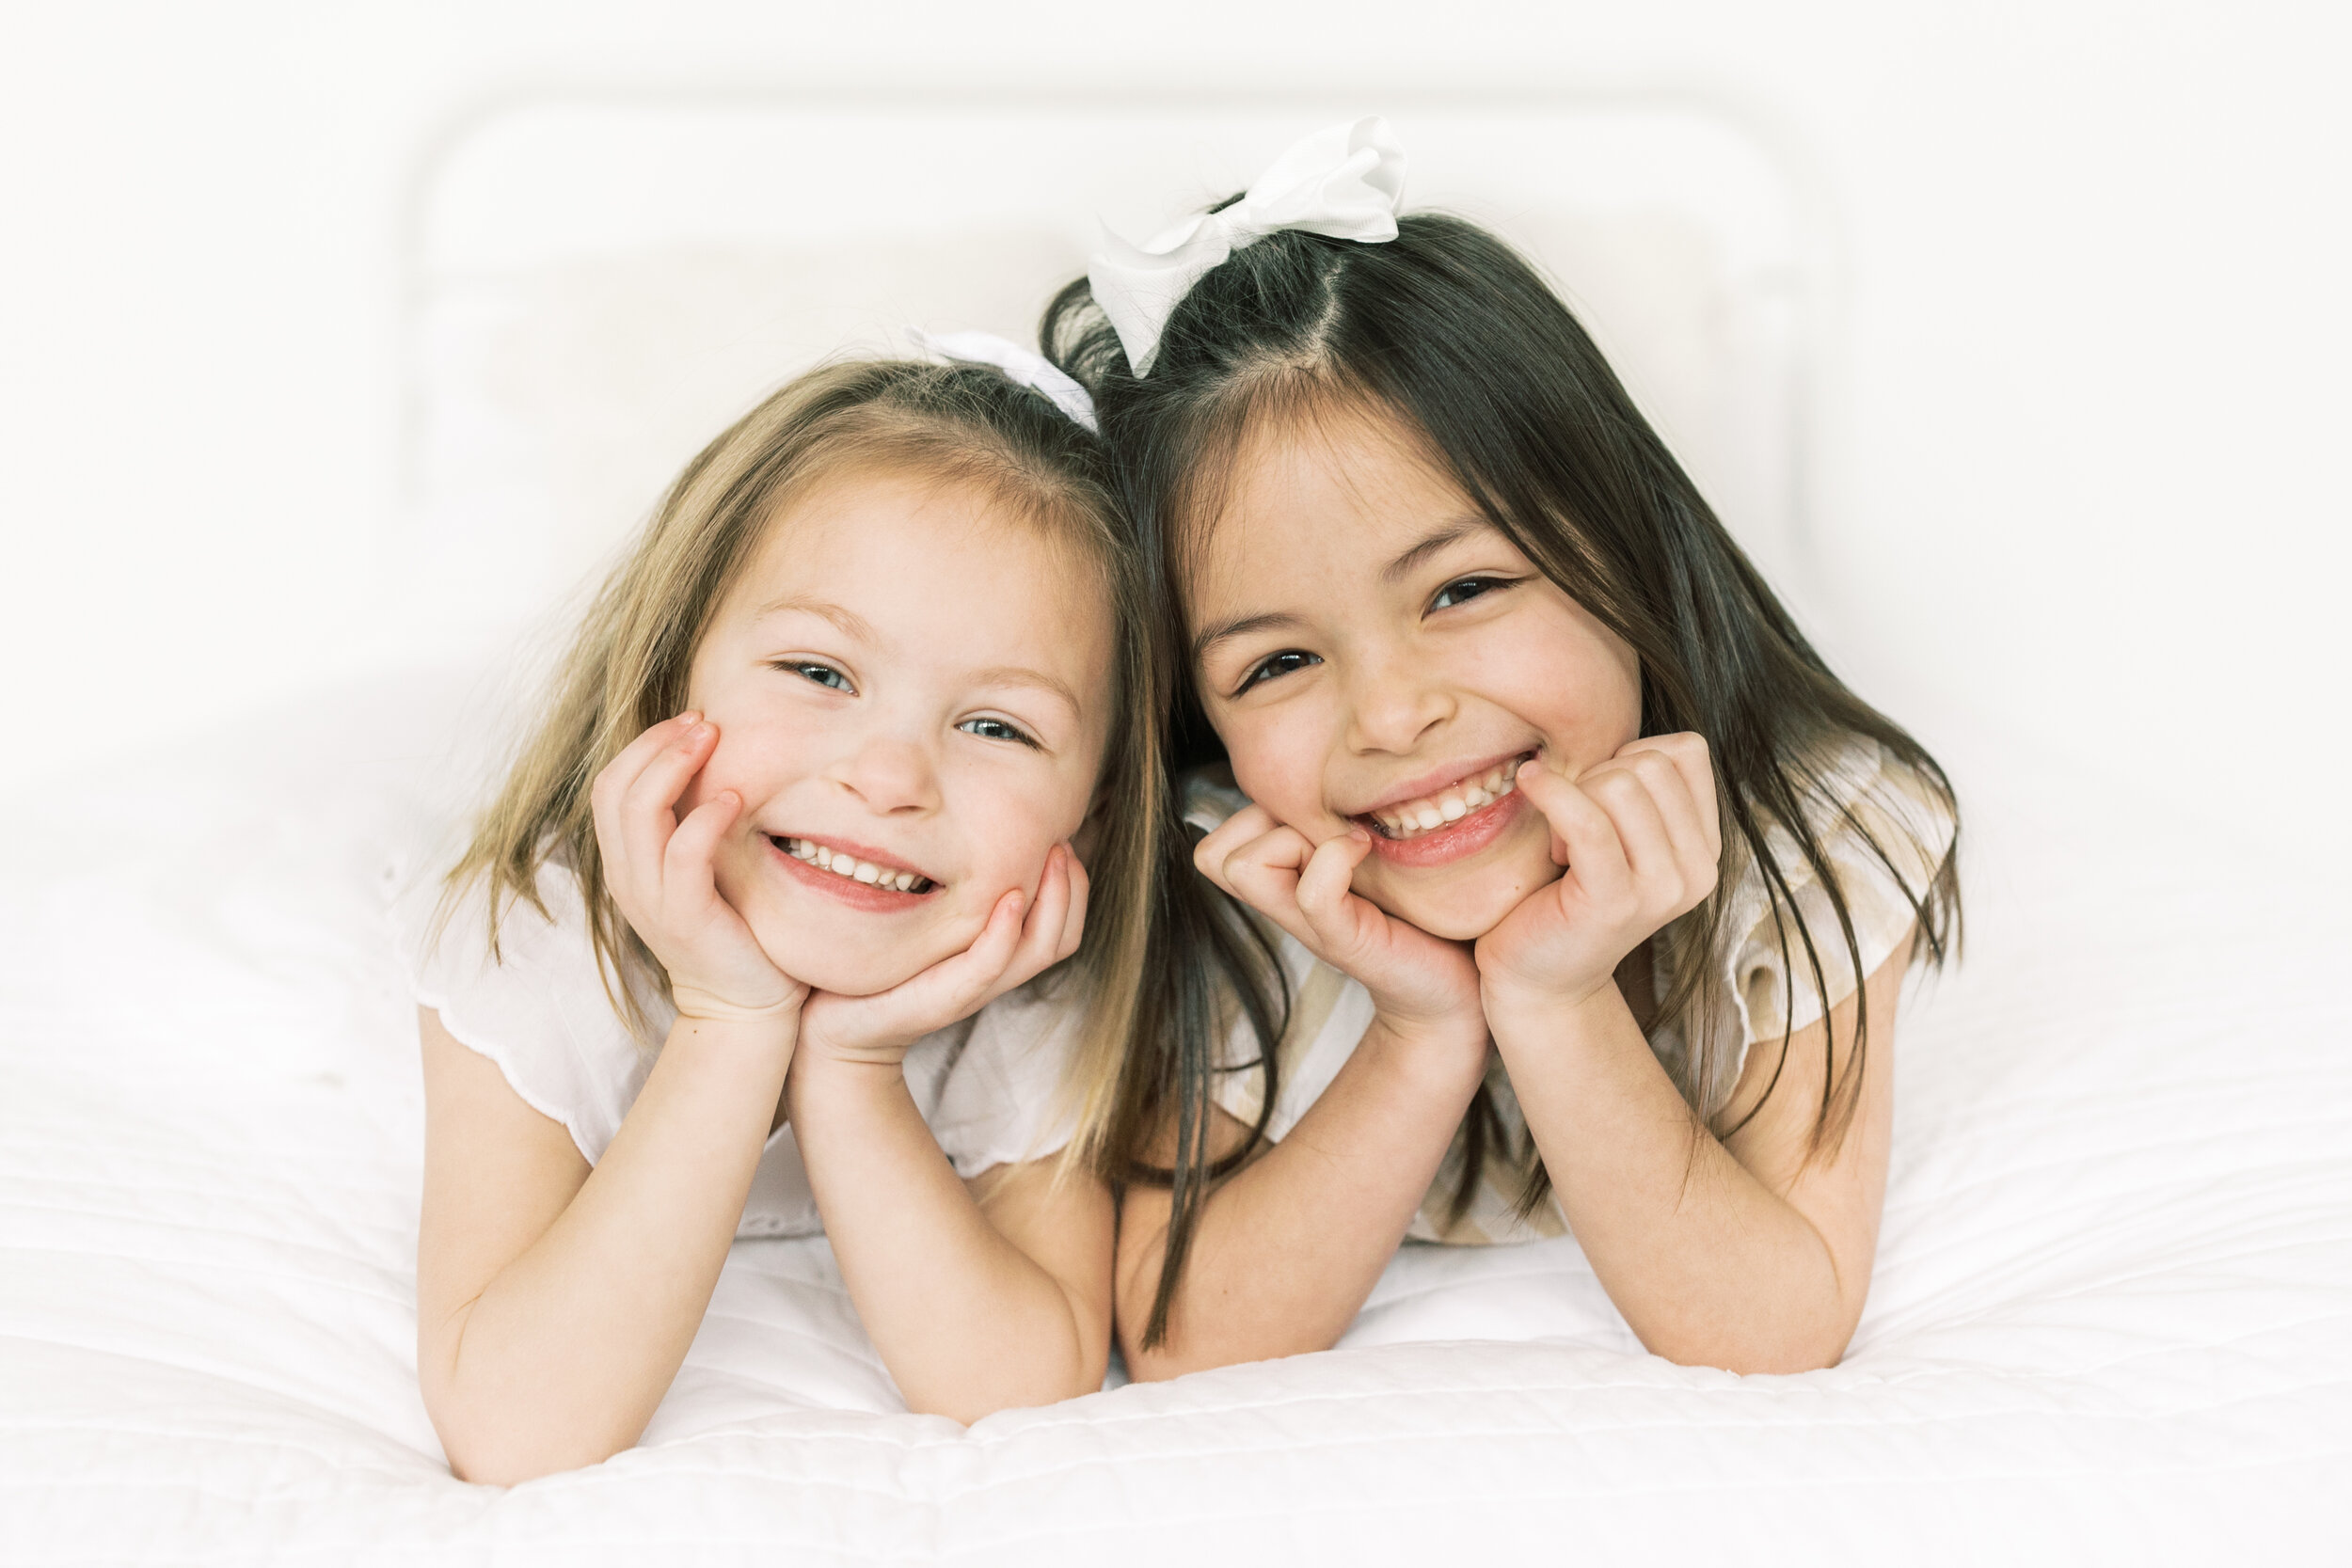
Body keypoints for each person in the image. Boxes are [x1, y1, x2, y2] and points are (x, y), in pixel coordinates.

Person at [1044, 119, 1961, 1378]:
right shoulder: (1248, 879)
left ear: (1625, 548)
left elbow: (1776, 1320)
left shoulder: (1812, 839)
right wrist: (1420, 1030)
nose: (1392, 713)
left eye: (1464, 589)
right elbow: (1181, 1334)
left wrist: (1556, 994)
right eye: (1277, 663)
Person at [399, 341, 1157, 1482]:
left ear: (1091, 820)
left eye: (998, 725)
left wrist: (854, 1066)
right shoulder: (537, 930)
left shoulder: (1025, 968)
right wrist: (730, 1017)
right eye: (819, 672)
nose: (890, 774)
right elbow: (516, 1428)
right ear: (669, 679)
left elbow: (1017, 1383)